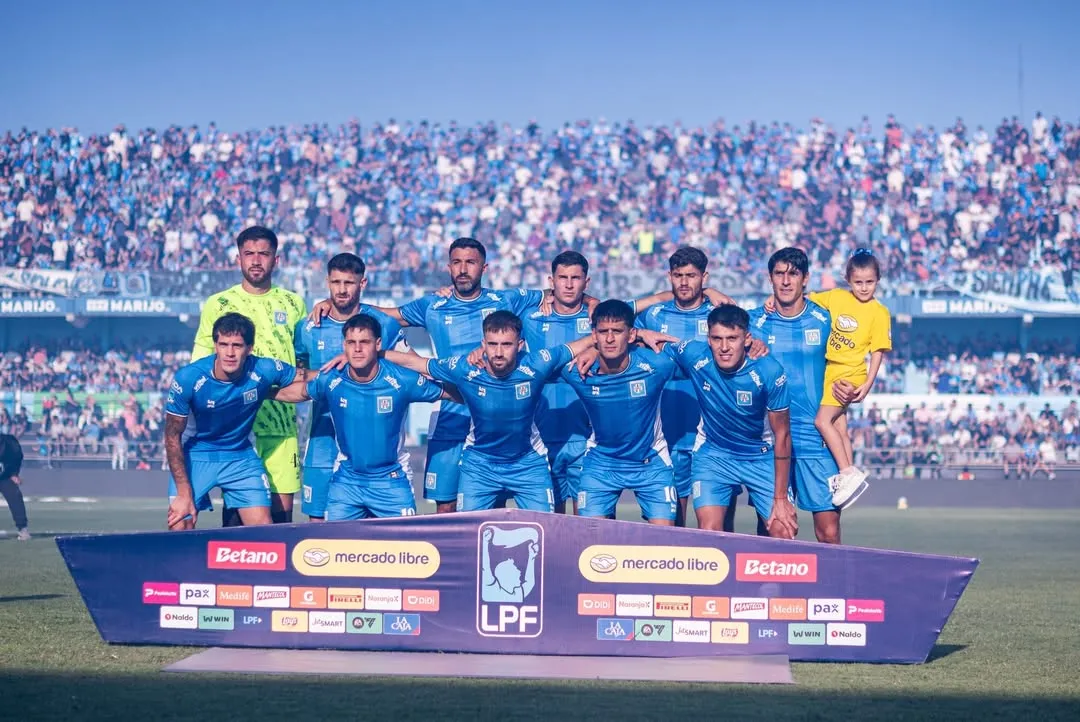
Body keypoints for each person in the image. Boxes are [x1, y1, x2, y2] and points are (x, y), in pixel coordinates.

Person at [309, 238, 550, 514]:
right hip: (450, 411)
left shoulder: (505, 299)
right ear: (448, 266)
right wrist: (333, 302)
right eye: (457, 262)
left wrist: (591, 304)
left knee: (492, 502)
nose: (463, 269)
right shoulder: (433, 304)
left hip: (494, 412)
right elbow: (389, 315)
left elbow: (553, 293)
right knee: (445, 505)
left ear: (485, 267)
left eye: (470, 263)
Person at [385, 310, 606, 512]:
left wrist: (597, 345)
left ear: (520, 345)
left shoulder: (537, 363)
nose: (498, 352)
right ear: (483, 344)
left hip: (527, 463)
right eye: (492, 344)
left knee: (544, 531)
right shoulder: (465, 368)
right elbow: (418, 363)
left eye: (506, 345)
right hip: (480, 465)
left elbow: (573, 348)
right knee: (469, 534)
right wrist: (376, 354)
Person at [274, 314, 456, 520]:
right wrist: (261, 392)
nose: (357, 349)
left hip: (391, 480)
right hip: (347, 481)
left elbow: (452, 393)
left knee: (403, 550)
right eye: (351, 342)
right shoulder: (332, 379)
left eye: (365, 342)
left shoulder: (403, 379)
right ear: (344, 345)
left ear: (378, 344)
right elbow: (298, 393)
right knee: (334, 547)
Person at [191, 226, 307, 525]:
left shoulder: (294, 303)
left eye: (264, 254)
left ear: (276, 260)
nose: (256, 260)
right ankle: (232, 572)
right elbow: (201, 362)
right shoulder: (219, 304)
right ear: (238, 258)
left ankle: (276, 573)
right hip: (234, 426)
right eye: (249, 254)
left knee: (281, 517)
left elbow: (302, 362)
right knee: (237, 514)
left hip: (280, 421)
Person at [766, 248, 891, 508]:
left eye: (870, 282)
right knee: (840, 427)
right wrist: (772, 297)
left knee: (822, 421)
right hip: (830, 371)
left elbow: (878, 350)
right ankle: (848, 472)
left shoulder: (879, 312)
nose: (864, 287)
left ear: (878, 280)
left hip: (850, 373)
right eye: (859, 282)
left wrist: (867, 383)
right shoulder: (836, 298)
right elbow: (803, 298)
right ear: (848, 280)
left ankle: (847, 472)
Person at [164, 313, 309, 530]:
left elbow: (307, 379)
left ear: (249, 348)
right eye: (223, 345)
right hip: (197, 455)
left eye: (237, 345)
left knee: (263, 531)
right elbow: (171, 435)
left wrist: (346, 368)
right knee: (180, 524)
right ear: (215, 345)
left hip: (240, 457)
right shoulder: (188, 378)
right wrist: (184, 495)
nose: (229, 353)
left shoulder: (263, 369)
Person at [664, 304, 798, 537]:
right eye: (717, 339)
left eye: (732, 338)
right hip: (714, 455)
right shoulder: (695, 355)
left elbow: (783, 435)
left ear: (747, 339)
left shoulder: (769, 371)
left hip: (760, 456)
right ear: (708, 339)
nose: (724, 347)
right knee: (709, 532)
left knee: (782, 532)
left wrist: (780, 499)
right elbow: (653, 344)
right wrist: (639, 335)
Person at [293, 253, 408, 521]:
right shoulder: (308, 327)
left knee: (378, 530)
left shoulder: (385, 325)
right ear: (327, 282)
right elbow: (298, 374)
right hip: (323, 437)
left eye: (349, 282)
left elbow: (409, 365)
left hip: (371, 442)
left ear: (363, 283)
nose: (342, 289)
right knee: (318, 525)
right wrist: (329, 375)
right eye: (336, 282)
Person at [750, 247, 853, 543]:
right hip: (768, 440)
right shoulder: (752, 322)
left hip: (815, 439)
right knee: (772, 529)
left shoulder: (826, 319)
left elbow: (850, 357)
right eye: (779, 274)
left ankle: (834, 589)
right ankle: (771, 590)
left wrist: (852, 385)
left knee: (829, 531)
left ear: (805, 279)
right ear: (770, 278)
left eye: (792, 274)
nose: (785, 281)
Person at [635, 246, 741, 527]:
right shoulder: (652, 315)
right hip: (667, 432)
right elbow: (611, 322)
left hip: (716, 434)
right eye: (678, 275)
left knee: (719, 525)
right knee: (675, 526)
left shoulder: (720, 314)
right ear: (669, 276)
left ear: (704, 277)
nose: (684, 282)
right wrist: (639, 333)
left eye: (691, 276)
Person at [560, 300, 681, 525]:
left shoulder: (658, 365)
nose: (609, 339)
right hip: (601, 463)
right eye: (603, 332)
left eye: (617, 331)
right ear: (593, 335)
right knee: (589, 539)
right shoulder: (578, 371)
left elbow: (707, 357)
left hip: (650, 463)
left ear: (631, 334)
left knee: (665, 542)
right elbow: (531, 363)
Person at [0, 433, 29, 540]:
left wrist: (14, 473)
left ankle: (23, 528)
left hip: (5, 476)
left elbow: (17, 456)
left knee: (15, 496)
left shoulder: (9, 443)